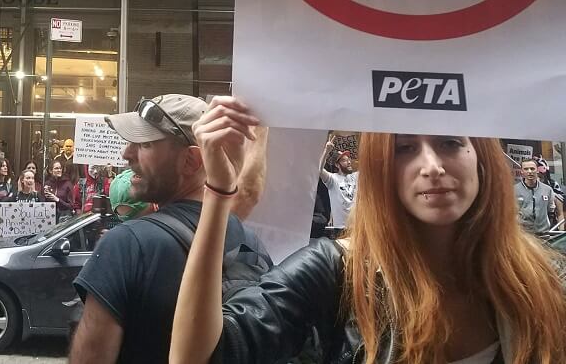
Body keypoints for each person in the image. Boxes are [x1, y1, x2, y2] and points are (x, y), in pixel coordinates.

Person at [170, 98, 566, 364]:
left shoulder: (546, 281)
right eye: (404, 148)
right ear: (378, 168)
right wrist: (219, 192)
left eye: (449, 142)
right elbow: (199, 355)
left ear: (481, 158)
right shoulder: (336, 271)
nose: (432, 165)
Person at [69, 94, 269, 364]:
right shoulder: (251, 243)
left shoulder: (126, 246)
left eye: (145, 144)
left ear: (190, 161)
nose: (127, 154)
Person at [319, 135, 358, 228]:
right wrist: (326, 151)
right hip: (340, 227)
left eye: (349, 160)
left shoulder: (356, 176)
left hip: (357, 227)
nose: (349, 162)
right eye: (344, 160)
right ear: (337, 165)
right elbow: (319, 170)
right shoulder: (332, 179)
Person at [516, 156, 559, 234]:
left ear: (537, 170)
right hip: (523, 235)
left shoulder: (547, 189)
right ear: (521, 171)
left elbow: (551, 211)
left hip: (544, 233)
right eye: (526, 169)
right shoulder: (514, 190)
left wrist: (548, 227)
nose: (529, 171)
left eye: (532, 169)